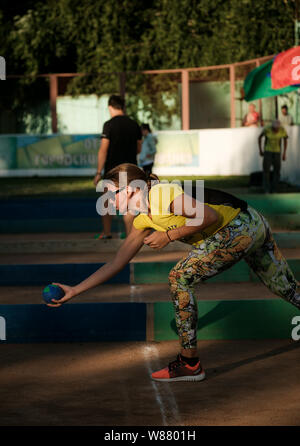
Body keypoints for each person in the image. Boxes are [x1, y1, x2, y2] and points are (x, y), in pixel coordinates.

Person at [48, 163, 300, 382]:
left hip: (239, 227)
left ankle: (189, 364)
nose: (109, 201)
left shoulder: (161, 194)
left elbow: (208, 215)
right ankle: (189, 364)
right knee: (285, 287)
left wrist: (169, 235)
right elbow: (116, 262)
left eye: (112, 194)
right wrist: (75, 290)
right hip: (253, 223)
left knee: (179, 277)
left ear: (132, 189)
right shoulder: (143, 220)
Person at [94, 95, 142, 239]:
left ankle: (107, 233)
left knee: (107, 202)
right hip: (130, 170)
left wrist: (98, 172)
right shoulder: (134, 125)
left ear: (110, 107)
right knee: (130, 205)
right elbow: (138, 149)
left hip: (112, 171)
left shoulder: (108, 125)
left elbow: (103, 149)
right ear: (123, 107)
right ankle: (130, 237)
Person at [258, 119, 288, 193]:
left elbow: (285, 140)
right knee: (266, 171)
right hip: (268, 151)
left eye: (277, 128)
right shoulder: (267, 129)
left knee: (277, 171)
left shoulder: (282, 130)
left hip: (277, 152)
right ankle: (266, 189)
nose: (276, 130)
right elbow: (259, 137)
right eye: (274, 128)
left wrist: (284, 153)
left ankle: (275, 189)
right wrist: (261, 150)